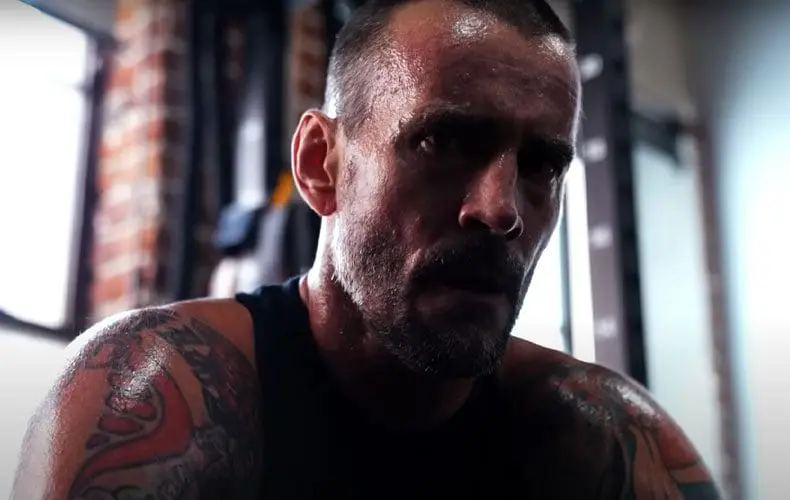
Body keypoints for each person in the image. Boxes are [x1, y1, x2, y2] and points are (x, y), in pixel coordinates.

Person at [13, 0, 722, 498]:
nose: (501, 209)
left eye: (541, 166)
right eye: (444, 142)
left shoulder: (608, 441)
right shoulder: (162, 398)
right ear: (321, 164)